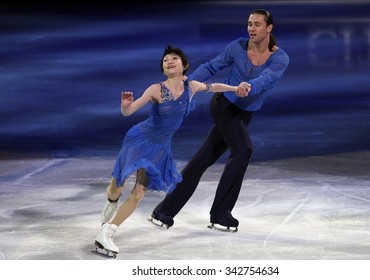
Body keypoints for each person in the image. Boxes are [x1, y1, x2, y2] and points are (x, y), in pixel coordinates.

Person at [93, 45, 247, 258]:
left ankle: (107, 232)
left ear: (184, 66)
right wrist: (125, 106)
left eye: (175, 58)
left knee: (138, 193)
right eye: (166, 60)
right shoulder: (155, 89)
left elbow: (214, 86)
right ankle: (111, 200)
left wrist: (236, 88)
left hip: (159, 149)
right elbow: (129, 112)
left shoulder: (191, 86)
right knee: (116, 189)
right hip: (139, 140)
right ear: (163, 68)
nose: (170, 61)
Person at [150, 9, 289, 232]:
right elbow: (212, 66)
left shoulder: (280, 58)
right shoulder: (237, 47)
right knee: (244, 150)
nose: (251, 28)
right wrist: (188, 83)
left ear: (269, 28)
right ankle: (221, 214)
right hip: (224, 106)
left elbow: (267, 78)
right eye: (249, 24)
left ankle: (164, 212)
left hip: (245, 113)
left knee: (203, 159)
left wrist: (249, 85)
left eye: (257, 24)